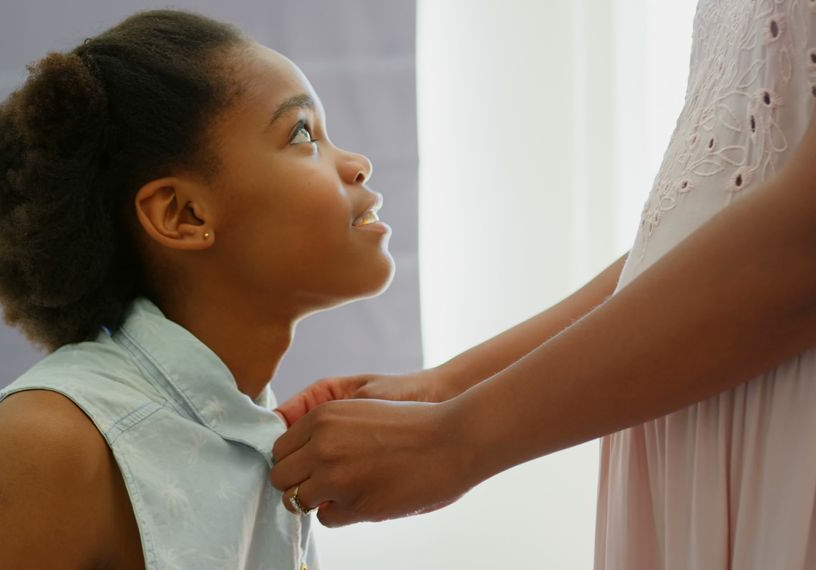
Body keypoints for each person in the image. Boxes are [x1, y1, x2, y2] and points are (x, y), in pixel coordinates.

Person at [270, 2, 816, 568]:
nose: (359, 161)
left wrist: (454, 437)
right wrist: (445, 388)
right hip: (702, 424)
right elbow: (689, 232)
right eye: (304, 134)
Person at [0, 9, 392, 569]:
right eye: (302, 133)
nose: (358, 164)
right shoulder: (45, 442)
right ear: (183, 213)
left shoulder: (258, 427)